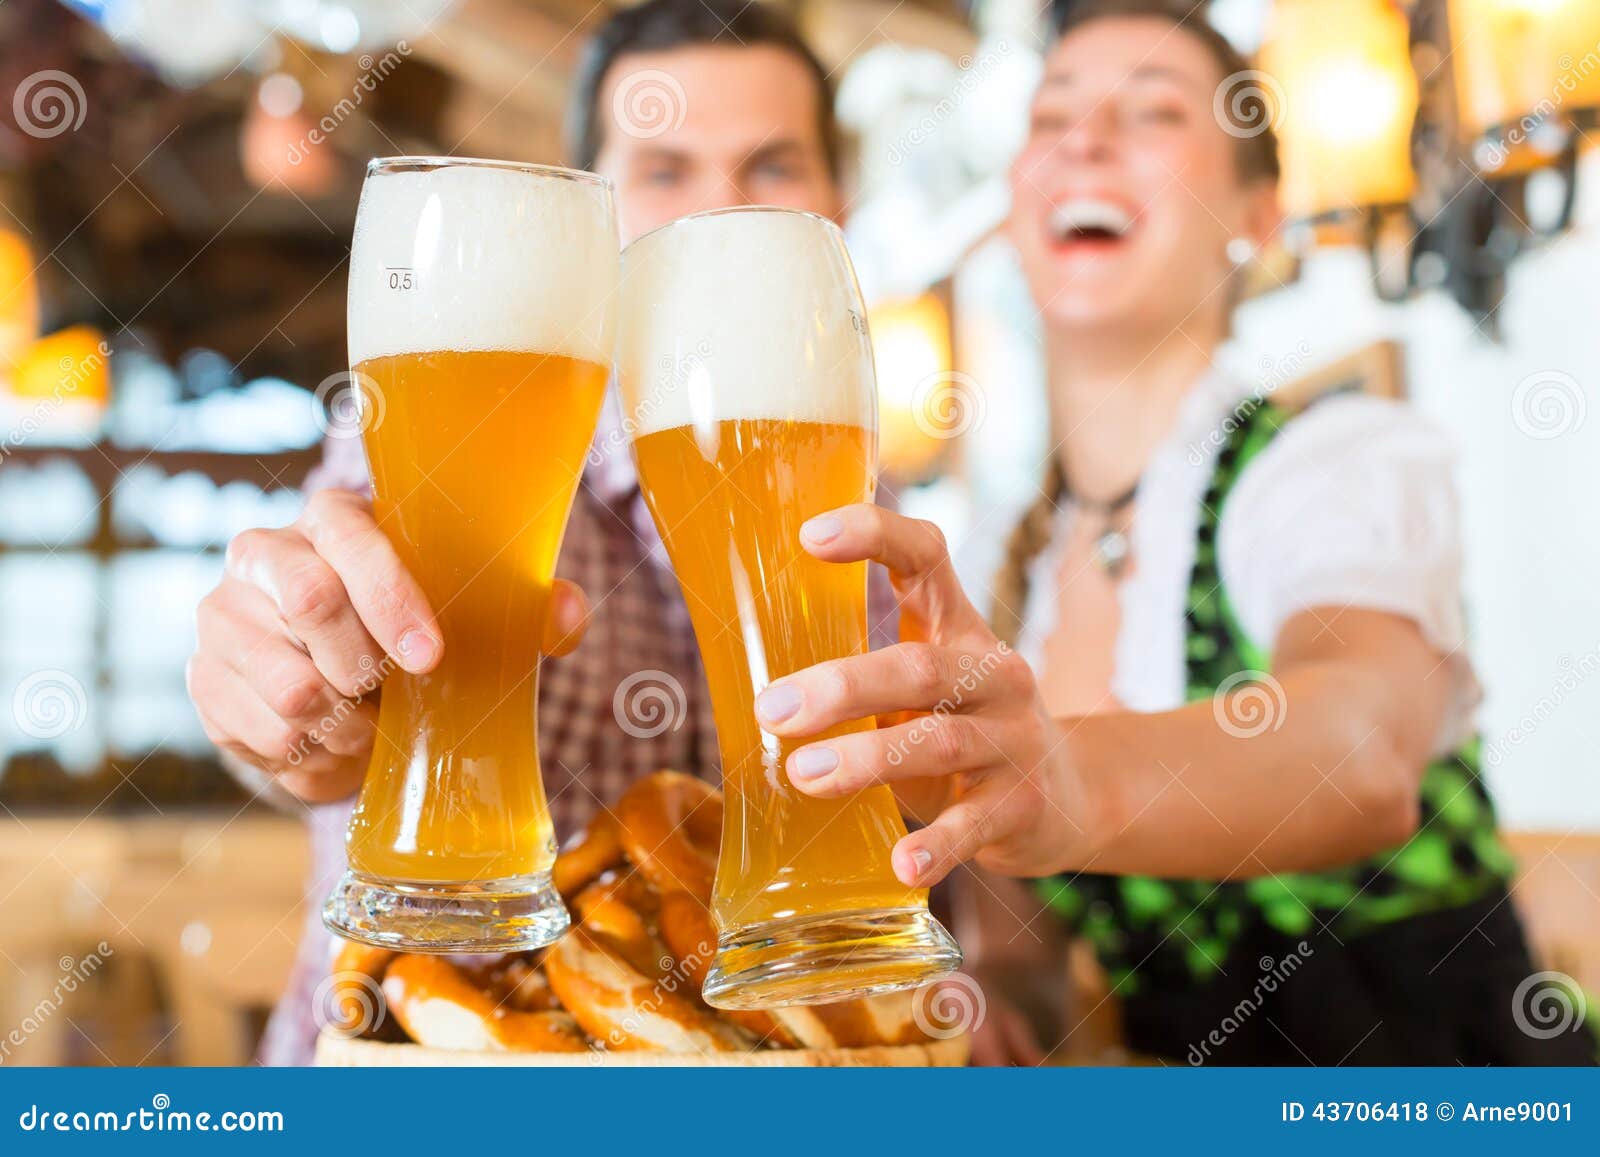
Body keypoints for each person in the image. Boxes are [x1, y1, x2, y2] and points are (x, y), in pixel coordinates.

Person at [756, 0, 1593, 1065]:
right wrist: (986, 999)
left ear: (1256, 208)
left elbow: (1363, 748)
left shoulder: (1328, 463)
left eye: (1149, 113)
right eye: (1050, 115)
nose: (1083, 139)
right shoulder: (1011, 572)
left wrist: (1069, 775)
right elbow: (1035, 968)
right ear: (1017, 205)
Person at [188, 0, 858, 1067]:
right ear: (593, 225)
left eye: (772, 168)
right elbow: (331, 627)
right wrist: (284, 697)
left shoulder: (858, 495)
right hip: (403, 1076)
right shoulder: (471, 424)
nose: (718, 217)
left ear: (841, 201)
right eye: (665, 170)